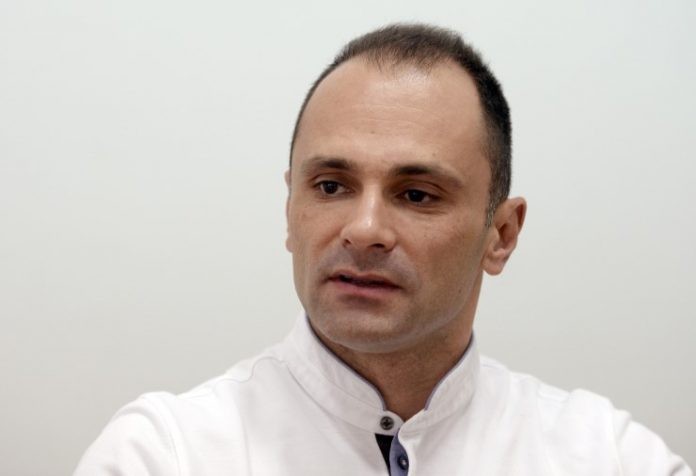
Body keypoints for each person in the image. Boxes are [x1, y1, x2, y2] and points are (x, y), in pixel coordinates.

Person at [74, 23, 691, 475]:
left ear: (501, 235)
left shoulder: (610, 457)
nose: (364, 229)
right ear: (290, 211)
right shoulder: (162, 455)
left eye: (417, 194)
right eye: (331, 186)